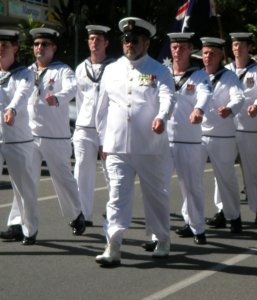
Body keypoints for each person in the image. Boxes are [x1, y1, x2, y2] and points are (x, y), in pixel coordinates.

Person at [95, 17, 176, 267]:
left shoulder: (159, 70)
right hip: (117, 146)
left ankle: (162, 239)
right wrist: (102, 142)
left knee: (155, 196)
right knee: (117, 196)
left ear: (146, 43)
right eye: (126, 40)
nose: (129, 44)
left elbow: (168, 97)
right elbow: (102, 109)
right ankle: (113, 245)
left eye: (135, 40)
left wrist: (162, 117)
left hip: (150, 147)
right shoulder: (111, 69)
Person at [0, 27, 86, 242]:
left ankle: (76, 214)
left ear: (53, 48)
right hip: (28, 135)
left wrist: (58, 97)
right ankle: (17, 224)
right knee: (24, 181)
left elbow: (73, 87)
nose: (40, 48)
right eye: (37, 44)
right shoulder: (25, 71)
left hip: (54, 135)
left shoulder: (62, 70)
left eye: (44, 44)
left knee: (62, 178)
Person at [165, 32, 212, 245]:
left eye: (182, 47)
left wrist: (199, 109)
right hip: (163, 140)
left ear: (190, 49)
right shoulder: (162, 72)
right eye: (174, 47)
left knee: (192, 187)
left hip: (189, 140)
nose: (178, 51)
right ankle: (158, 234)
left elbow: (205, 94)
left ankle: (198, 228)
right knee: (157, 187)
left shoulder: (199, 75)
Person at [224, 32, 257, 224]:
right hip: (227, 128)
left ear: (249, 47)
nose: (237, 48)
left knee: (252, 171)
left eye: (241, 45)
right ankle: (223, 209)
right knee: (224, 169)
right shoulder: (226, 69)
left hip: (249, 127)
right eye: (234, 45)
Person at [200, 37, 245, 233]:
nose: (208, 56)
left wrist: (230, 108)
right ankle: (192, 220)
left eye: (212, 53)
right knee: (192, 178)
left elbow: (239, 97)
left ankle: (234, 216)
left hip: (222, 136)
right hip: (199, 135)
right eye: (205, 53)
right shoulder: (197, 75)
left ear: (220, 55)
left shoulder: (229, 77)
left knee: (226, 178)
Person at [73, 25, 115, 226]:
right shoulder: (81, 68)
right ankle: (83, 215)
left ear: (106, 43)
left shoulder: (115, 67)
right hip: (84, 127)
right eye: (91, 39)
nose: (94, 42)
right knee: (82, 171)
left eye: (98, 39)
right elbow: (80, 99)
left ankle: (114, 210)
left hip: (108, 128)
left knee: (112, 172)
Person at [0, 29, 39, 245]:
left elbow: (22, 94)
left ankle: (30, 229)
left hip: (17, 139)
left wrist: (12, 109)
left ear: (15, 48)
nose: (0, 49)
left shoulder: (25, 73)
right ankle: (15, 225)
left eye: (5, 45)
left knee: (24, 189)